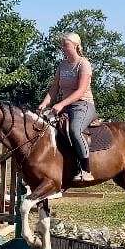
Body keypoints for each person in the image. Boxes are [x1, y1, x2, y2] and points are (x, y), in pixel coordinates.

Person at [37, 32, 96, 181]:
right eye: (62, 45)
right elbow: (54, 89)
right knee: (42, 127)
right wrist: (44, 104)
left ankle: (86, 169)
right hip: (65, 106)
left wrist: (61, 103)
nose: (62, 48)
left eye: (66, 45)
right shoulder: (62, 65)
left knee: (75, 130)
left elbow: (81, 90)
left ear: (76, 46)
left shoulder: (84, 64)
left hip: (83, 104)